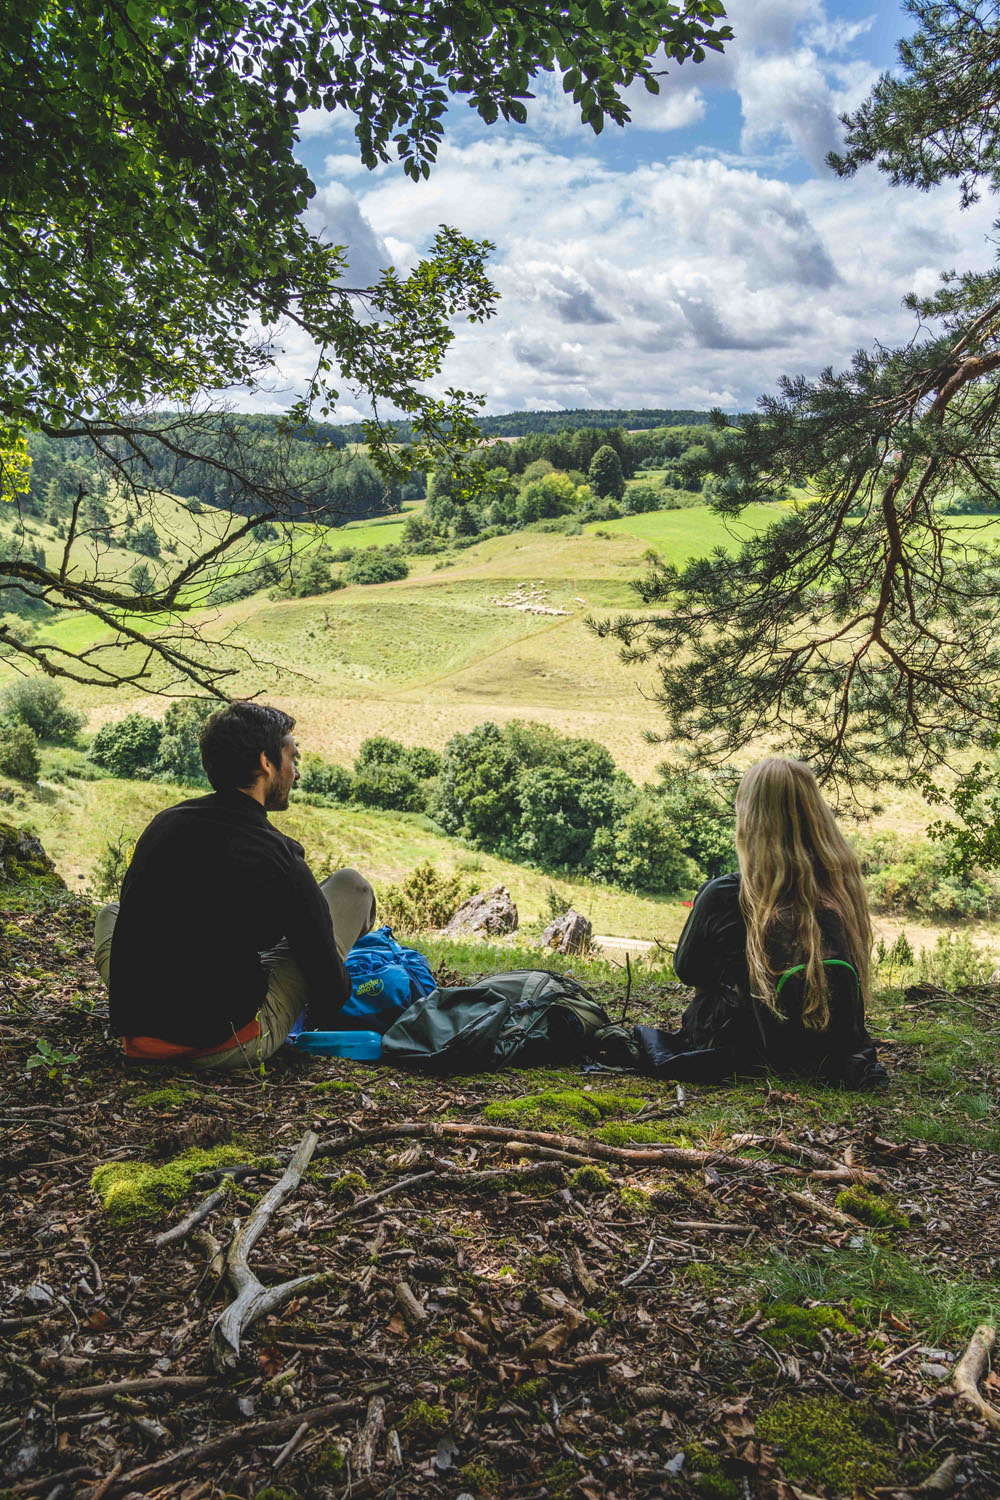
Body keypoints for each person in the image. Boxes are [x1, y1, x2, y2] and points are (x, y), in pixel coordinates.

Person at [93, 700, 376, 1069]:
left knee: (112, 914)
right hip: (222, 1043)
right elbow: (331, 991)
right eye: (293, 758)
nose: (296, 772)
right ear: (265, 762)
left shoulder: (163, 824)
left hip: (140, 1039)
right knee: (350, 886)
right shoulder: (280, 855)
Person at [637, 756, 887, 1088]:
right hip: (833, 1051)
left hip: (747, 1051)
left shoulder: (726, 894)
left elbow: (688, 969)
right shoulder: (843, 887)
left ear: (751, 819)